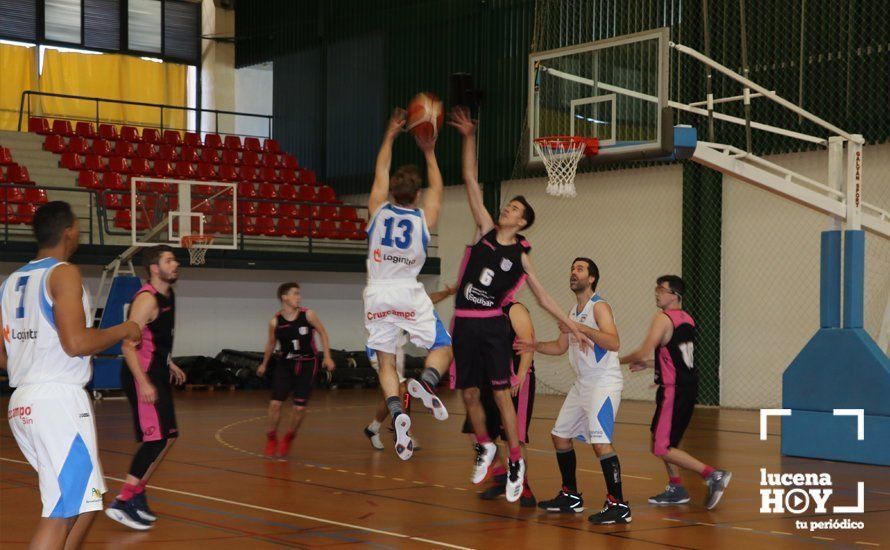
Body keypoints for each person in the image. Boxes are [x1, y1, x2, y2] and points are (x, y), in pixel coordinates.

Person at [449, 107, 590, 503]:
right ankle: (485, 446)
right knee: (470, 395)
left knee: (498, 394)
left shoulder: (521, 257)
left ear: (523, 222)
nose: (505, 210)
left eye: (513, 209)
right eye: (507, 206)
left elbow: (544, 297)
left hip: (492, 324)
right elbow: (470, 180)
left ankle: (515, 458)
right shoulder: (484, 231)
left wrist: (573, 326)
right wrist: (468, 137)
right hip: (464, 321)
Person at [1, 201, 141, 548]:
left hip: (24, 402)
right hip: (56, 402)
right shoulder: (63, 273)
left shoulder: (11, 282)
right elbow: (77, 343)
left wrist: (32, 362)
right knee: (63, 509)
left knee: (88, 499)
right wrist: (124, 329)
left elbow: (5, 357)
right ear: (69, 231)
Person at [364, 108, 453, 460]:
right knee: (443, 347)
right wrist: (429, 151)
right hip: (408, 292)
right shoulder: (422, 219)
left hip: (377, 294)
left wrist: (389, 135)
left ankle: (397, 412)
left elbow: (380, 171)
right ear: (415, 196)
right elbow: (439, 190)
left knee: (386, 364)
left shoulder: (377, 210)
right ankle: (427, 383)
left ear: (391, 194)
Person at [531, 258, 630, 524]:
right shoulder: (573, 311)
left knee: (600, 442)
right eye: (572, 269)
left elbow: (614, 341)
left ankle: (619, 504)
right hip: (582, 383)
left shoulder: (600, 307)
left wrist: (581, 328)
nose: (573, 273)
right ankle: (571, 496)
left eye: (580, 269)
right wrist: (533, 345)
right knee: (560, 436)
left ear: (592, 278)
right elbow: (560, 347)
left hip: (603, 382)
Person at [620, 275, 730, 509]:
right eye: (656, 288)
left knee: (662, 447)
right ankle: (676, 487)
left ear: (674, 296)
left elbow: (642, 352)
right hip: (686, 387)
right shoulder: (687, 319)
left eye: (661, 289)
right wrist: (652, 366)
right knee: (660, 440)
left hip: (675, 391)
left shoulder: (663, 318)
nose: (656, 293)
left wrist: (615, 361)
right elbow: (677, 357)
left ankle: (712, 474)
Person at [107, 245, 187, 530]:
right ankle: (123, 501)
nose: (175, 264)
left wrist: (168, 362)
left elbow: (155, 339)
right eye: (169, 260)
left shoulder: (169, 295)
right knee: (155, 439)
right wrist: (143, 383)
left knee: (169, 436)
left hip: (156, 372)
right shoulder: (146, 300)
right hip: (141, 376)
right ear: (155, 268)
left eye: (175, 259)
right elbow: (128, 346)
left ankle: (138, 494)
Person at [459, 300, 537, 507]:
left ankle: (524, 484)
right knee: (475, 429)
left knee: (515, 437)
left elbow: (528, 344)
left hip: (515, 380)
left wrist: (520, 376)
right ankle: (501, 475)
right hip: (489, 380)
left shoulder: (515, 309)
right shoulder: (481, 309)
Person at [258, 282, 335, 457]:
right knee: (275, 404)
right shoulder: (275, 321)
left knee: (299, 408)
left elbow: (323, 333)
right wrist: (264, 363)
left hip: (308, 364)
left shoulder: (308, 315)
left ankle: (289, 436)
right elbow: (271, 344)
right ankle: (271, 436)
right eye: (295, 294)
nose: (299, 297)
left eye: (299, 294)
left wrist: (328, 356)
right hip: (285, 365)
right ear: (284, 297)